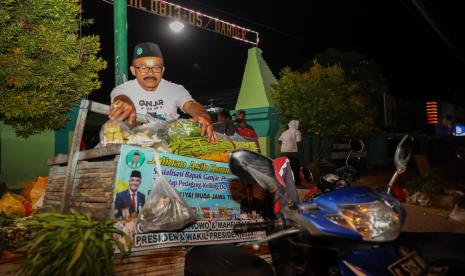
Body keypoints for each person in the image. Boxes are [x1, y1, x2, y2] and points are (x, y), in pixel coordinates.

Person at [108, 42, 218, 143]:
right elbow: (120, 97)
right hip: (136, 146)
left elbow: (190, 104)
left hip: (170, 148)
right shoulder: (124, 89)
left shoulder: (175, 89)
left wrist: (202, 114)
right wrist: (124, 103)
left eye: (156, 68)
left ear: (163, 70)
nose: (150, 73)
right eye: (143, 68)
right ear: (133, 70)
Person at [278, 120, 302, 187]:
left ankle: (283, 184)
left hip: (283, 154)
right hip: (293, 154)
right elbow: (298, 142)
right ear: (295, 125)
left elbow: (279, 141)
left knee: (285, 169)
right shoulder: (297, 132)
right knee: (295, 168)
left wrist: (285, 146)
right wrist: (294, 148)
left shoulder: (284, 132)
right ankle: (297, 184)